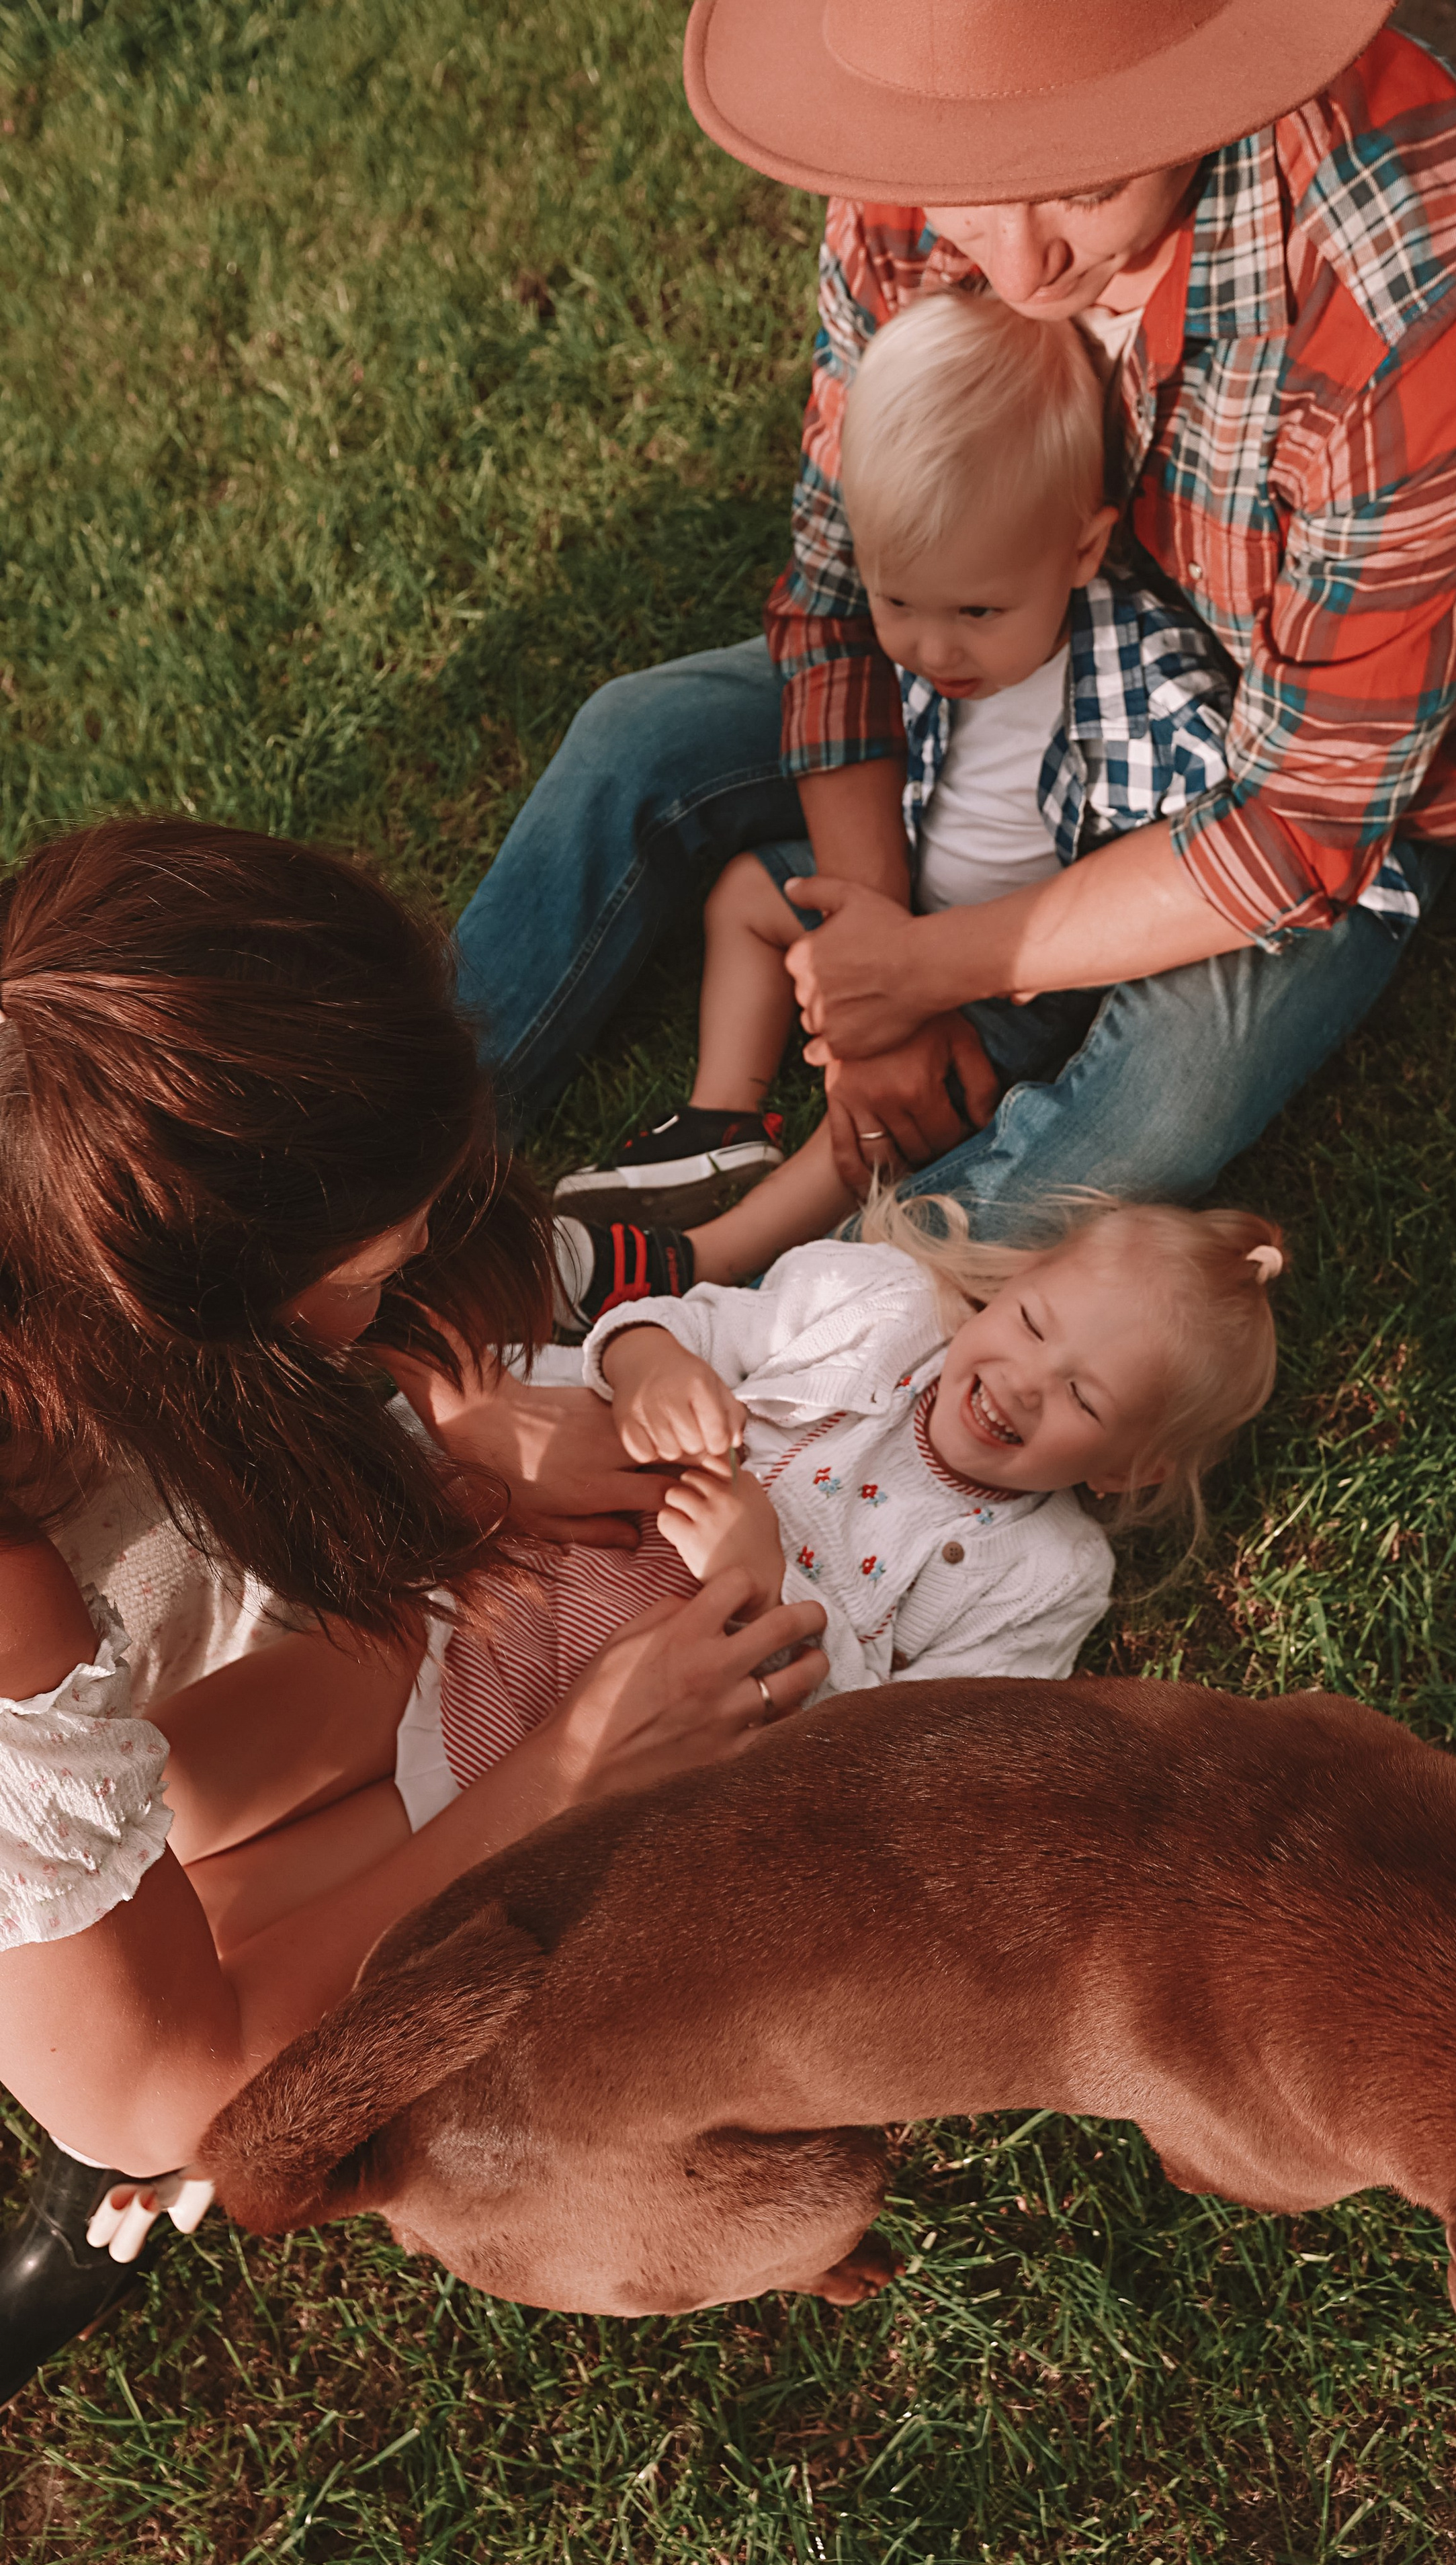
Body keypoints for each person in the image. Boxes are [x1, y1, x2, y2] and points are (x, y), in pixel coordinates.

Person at [454, 1, 1456, 1238]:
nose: (1022, 267)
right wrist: (874, 965)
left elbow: (1297, 829)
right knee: (638, 738)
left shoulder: (1423, 278)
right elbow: (836, 604)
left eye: (1086, 187)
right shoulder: (911, 119)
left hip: (1274, 745)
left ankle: (766, 1331)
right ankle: (368, 1182)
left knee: (1167, 1093)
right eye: (973, 191)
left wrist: (932, 966)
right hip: (988, 643)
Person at [0, 820, 827, 2398]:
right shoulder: (13, 1590)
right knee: (111, 2048)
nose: (421, 1264)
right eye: (379, 1270)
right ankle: (78, 2205)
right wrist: (572, 1765)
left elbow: (421, 1242)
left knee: (264, 1751)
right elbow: (166, 2086)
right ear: (184, 1301)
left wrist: (458, 1402)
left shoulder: (60, 1089)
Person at [551, 292, 1233, 1302]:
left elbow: (1204, 851)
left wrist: (933, 983)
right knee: (748, 894)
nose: (930, 646)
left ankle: (708, 1259)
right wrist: (878, 947)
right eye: (896, 600)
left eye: (976, 611)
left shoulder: (1149, 689)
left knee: (875, 1128)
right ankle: (718, 1124)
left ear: (1083, 552)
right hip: (905, 894)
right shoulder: (935, 624)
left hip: (1012, 979)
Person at [561, 1191, 1288, 1704]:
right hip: (572, 1542)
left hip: (670, 1716)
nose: (1025, 1383)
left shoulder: (1049, 1578)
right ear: (1012, 1282)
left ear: (1125, 1470)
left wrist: (766, 1586)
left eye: (1084, 1398)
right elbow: (696, 1325)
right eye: (1032, 1324)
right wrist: (649, 1362)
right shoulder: (883, 1303)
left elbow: (900, 1753)